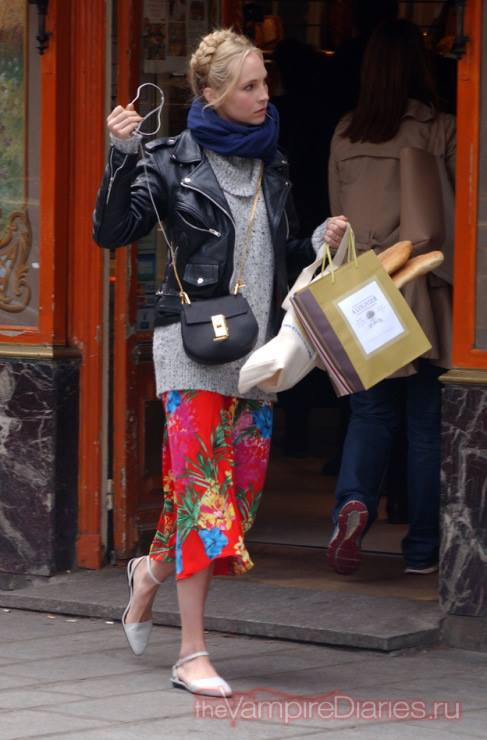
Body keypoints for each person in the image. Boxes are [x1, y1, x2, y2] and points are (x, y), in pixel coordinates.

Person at [93, 29, 348, 697]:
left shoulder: (275, 162)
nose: (264, 96)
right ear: (210, 94)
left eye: (265, 83)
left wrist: (316, 241)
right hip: (190, 349)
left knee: (235, 499)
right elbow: (111, 232)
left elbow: (277, 253)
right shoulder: (169, 160)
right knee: (206, 500)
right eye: (248, 86)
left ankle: (149, 572)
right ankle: (192, 653)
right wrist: (121, 155)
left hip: (258, 357)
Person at [326, 19, 455, 577]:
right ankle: (423, 549)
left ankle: (353, 502)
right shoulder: (440, 130)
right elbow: (458, 215)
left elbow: (338, 221)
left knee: (370, 414)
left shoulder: (345, 134)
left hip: (363, 290)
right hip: (423, 285)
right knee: (426, 425)